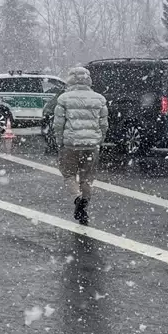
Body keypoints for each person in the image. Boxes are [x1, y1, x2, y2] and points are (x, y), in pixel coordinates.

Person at [52, 65, 108, 225]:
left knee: (69, 174)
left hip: (70, 144)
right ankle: (84, 206)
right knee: (87, 178)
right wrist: (99, 140)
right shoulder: (100, 99)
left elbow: (58, 124)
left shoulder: (64, 99)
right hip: (91, 144)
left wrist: (59, 141)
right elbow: (104, 124)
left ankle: (77, 197)